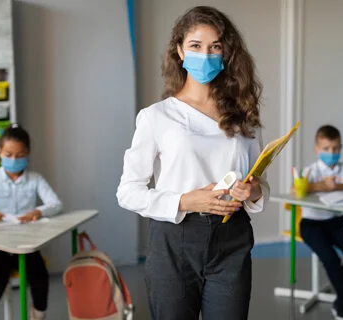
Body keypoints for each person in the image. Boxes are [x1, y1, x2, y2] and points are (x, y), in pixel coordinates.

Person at [116, 6, 269, 320]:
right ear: (179, 51)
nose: (206, 54)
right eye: (196, 46)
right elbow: (128, 192)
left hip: (232, 239)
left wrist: (251, 191)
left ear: (226, 52)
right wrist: (187, 200)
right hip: (175, 241)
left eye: (215, 46)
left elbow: (259, 184)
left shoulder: (242, 116)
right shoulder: (156, 117)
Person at [0, 124, 63, 320]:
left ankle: (37, 314)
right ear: (0, 152)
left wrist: (38, 211)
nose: (14, 159)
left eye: (20, 155)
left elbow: (56, 204)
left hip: (24, 243)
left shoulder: (35, 179)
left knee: (40, 276)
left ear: (27, 153)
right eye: (9, 154)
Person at [294, 124, 343, 319]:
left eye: (335, 148)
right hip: (311, 224)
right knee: (331, 258)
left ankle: (340, 298)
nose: (331, 152)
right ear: (317, 149)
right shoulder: (310, 170)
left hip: (334, 223)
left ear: (340, 148)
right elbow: (296, 191)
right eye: (326, 148)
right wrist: (323, 186)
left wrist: (339, 185)